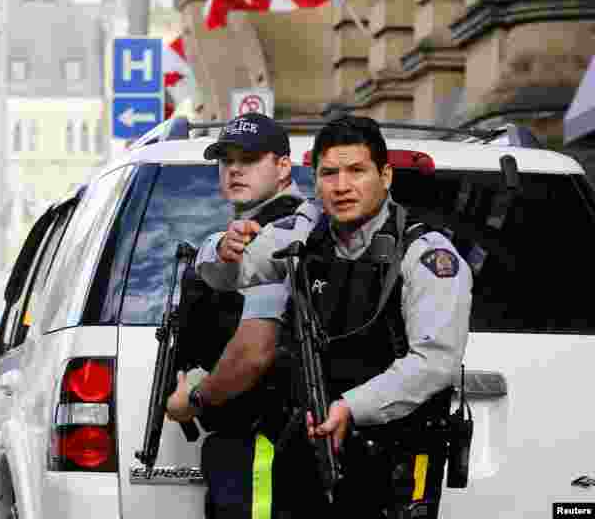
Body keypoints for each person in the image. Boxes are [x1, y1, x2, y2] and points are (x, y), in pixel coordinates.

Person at [196, 114, 471, 518]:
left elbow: (435, 362)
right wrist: (222, 248)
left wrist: (350, 407)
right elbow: (229, 274)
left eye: (356, 171)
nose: (341, 186)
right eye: (329, 173)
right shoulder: (305, 235)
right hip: (309, 448)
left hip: (393, 458)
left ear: (386, 175)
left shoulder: (425, 254)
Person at [165, 112, 306, 519]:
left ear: (283, 166)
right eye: (226, 160)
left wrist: (194, 397)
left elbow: (255, 351)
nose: (235, 169)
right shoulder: (246, 230)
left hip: (265, 437)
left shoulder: (277, 234)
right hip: (255, 436)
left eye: (250, 158)